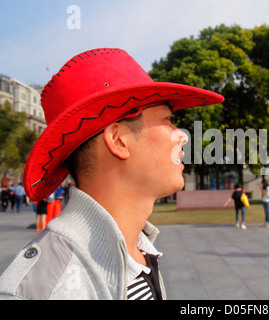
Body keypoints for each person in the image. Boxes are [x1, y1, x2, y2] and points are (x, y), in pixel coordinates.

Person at [0, 48, 224, 300]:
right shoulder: (43, 288)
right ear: (118, 141)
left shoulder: (137, 251)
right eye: (168, 120)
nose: (181, 135)